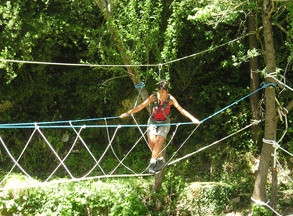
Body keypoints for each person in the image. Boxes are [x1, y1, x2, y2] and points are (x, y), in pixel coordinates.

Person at [120, 81, 200, 174]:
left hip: (164, 123)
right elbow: (140, 107)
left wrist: (193, 119)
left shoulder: (171, 99)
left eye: (163, 92)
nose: (161, 94)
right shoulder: (153, 97)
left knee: (158, 142)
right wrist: (127, 113)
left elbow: (181, 110)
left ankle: (151, 164)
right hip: (153, 121)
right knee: (152, 141)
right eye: (159, 92)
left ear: (167, 91)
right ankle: (161, 159)